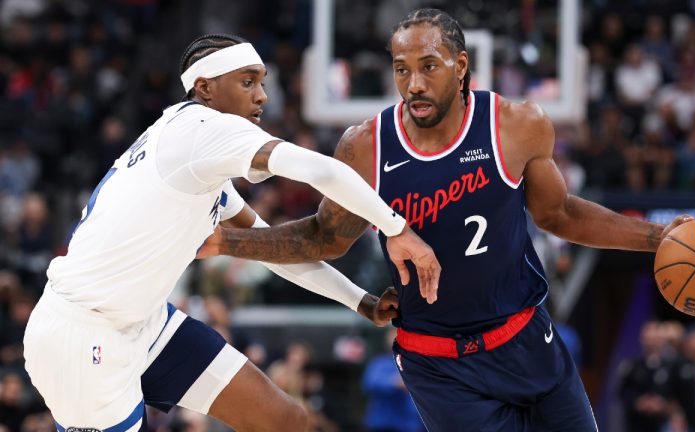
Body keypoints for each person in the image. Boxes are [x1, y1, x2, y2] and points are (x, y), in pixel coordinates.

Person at [200, 9, 691, 431]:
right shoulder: (366, 147)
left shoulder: (515, 125)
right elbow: (324, 238)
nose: (413, 84)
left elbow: (558, 213)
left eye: (428, 67)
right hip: (440, 365)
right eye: (401, 69)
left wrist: (657, 237)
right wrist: (226, 242)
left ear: (461, 67)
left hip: (527, 339)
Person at [22, 34, 441, 432]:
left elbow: (273, 251)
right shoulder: (200, 130)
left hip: (144, 323)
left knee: (285, 421)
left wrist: (360, 300)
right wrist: (396, 227)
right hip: (82, 336)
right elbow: (321, 169)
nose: (262, 96)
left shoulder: (200, 162)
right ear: (205, 89)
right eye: (247, 82)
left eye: (262, 82)